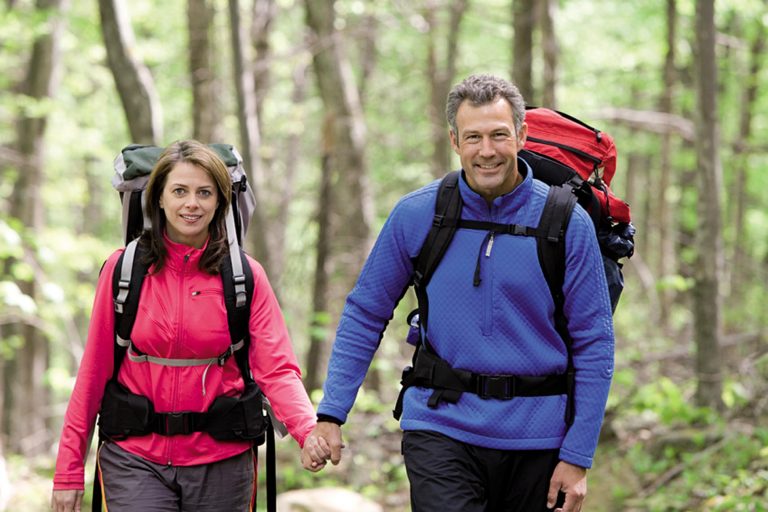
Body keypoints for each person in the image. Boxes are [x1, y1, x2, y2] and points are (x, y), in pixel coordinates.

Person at [301, 74, 614, 512]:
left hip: (539, 437)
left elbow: (594, 342)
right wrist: (331, 413)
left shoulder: (566, 223)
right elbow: (365, 312)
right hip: (440, 426)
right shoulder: (418, 214)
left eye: (499, 135)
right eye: (474, 137)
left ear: (521, 135)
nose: (487, 151)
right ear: (455, 140)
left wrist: (577, 457)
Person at [52, 140, 316, 512]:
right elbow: (93, 374)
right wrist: (68, 471)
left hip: (223, 460)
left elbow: (277, 369)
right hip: (134, 459)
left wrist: (308, 430)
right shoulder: (123, 271)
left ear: (220, 202)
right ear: (158, 198)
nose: (191, 203)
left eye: (204, 192)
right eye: (180, 191)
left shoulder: (243, 277)